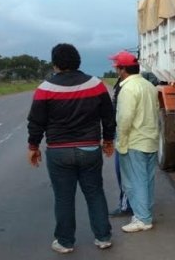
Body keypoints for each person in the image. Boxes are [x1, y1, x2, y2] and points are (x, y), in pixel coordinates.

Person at [27, 43, 115, 254]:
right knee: (94, 193)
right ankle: (103, 237)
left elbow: (36, 122)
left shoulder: (44, 89)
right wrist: (108, 141)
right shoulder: (96, 85)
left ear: (55, 64)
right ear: (78, 61)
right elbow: (108, 117)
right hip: (90, 149)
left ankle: (65, 242)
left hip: (59, 152)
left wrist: (33, 146)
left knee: (64, 197)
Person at [109, 51, 159, 233]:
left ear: (123, 70)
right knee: (146, 180)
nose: (115, 69)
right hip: (149, 140)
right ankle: (144, 213)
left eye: (116, 67)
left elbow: (124, 119)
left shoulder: (127, 89)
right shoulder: (149, 86)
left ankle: (143, 219)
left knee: (133, 182)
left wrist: (121, 142)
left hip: (134, 142)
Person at [108, 76, 133, 217]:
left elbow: (120, 114)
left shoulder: (126, 87)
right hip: (137, 135)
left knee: (123, 171)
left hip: (124, 134)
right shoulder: (139, 84)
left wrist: (111, 136)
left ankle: (126, 206)